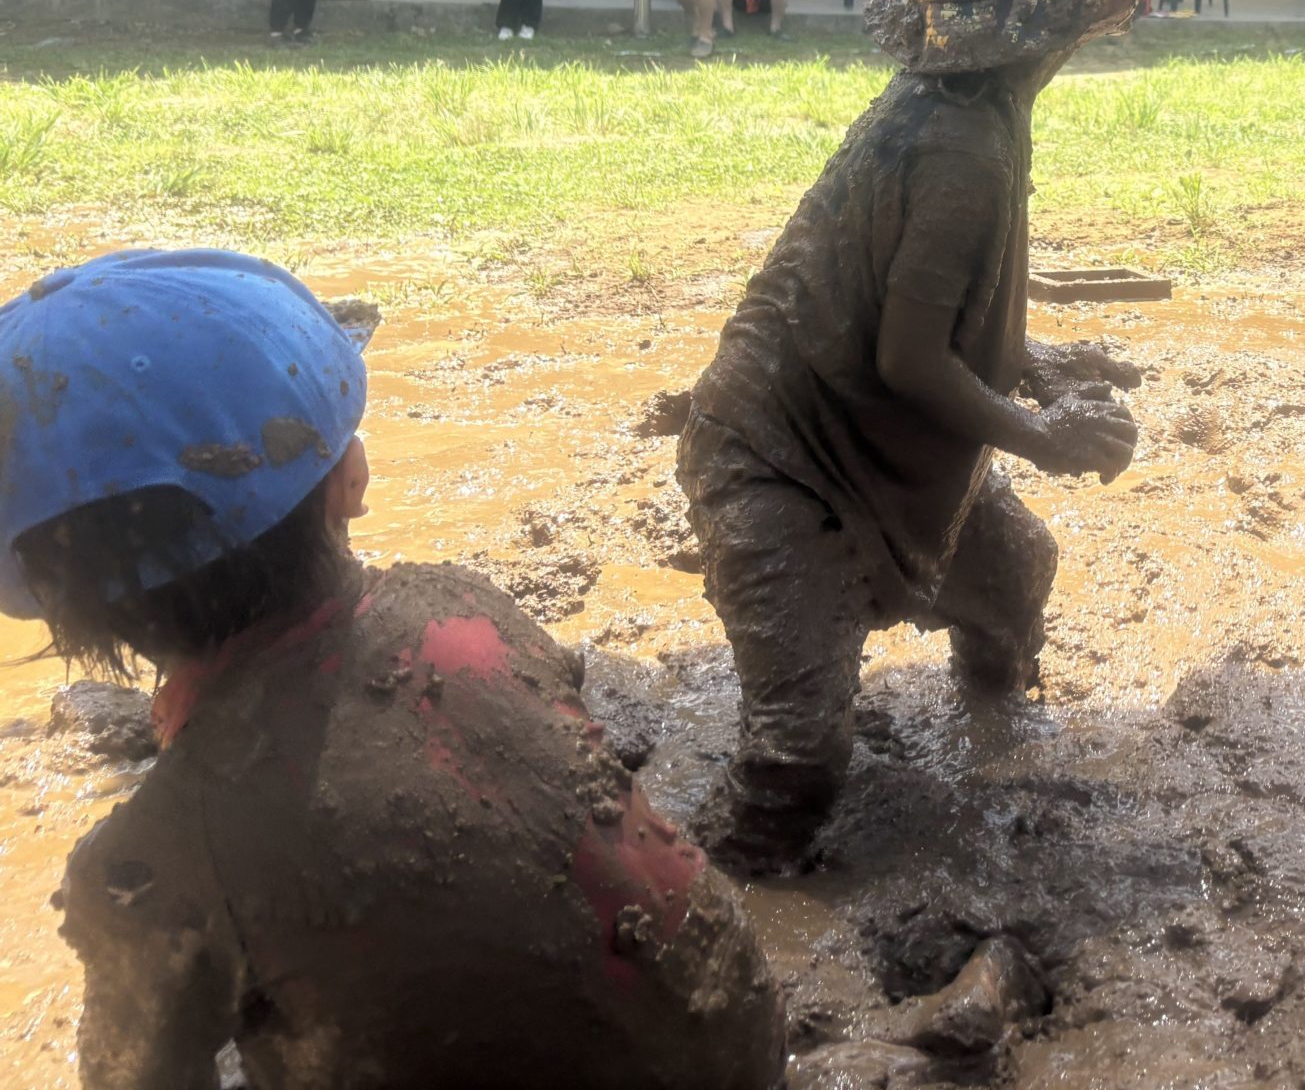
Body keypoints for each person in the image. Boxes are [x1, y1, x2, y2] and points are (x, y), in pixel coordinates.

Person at [0, 249, 784, 1089]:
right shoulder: (463, 604)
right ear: (354, 478)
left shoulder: (145, 860)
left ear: (67, 611)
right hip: (739, 1030)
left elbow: (134, 1076)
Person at [675, 0, 1177, 872]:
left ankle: (994, 743)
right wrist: (1047, 438)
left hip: (878, 447)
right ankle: (701, 898)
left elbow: (924, 315)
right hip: (783, 473)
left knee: (1013, 582)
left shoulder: (965, 107)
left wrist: (1034, 363)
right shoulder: (963, 148)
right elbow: (910, 360)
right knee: (797, 760)